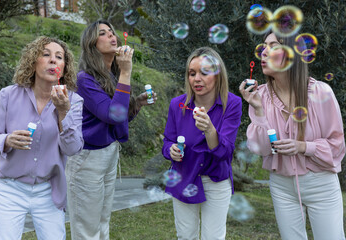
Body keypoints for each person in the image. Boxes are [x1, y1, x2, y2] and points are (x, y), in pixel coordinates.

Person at [239, 31, 345, 240]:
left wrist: (303, 147)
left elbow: (337, 145)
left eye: (273, 45)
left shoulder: (320, 93)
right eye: (263, 46)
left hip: (321, 185)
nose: (264, 51)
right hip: (281, 186)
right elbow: (259, 149)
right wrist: (258, 111)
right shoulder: (260, 97)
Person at [65, 19, 156, 240]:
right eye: (103, 33)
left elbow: (117, 118)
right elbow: (111, 115)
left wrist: (137, 104)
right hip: (87, 159)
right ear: (92, 44)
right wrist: (126, 72)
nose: (112, 36)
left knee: (103, 221)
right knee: (88, 228)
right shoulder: (84, 79)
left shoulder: (111, 76)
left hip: (108, 154)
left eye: (111, 32)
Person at [0, 36, 84, 239]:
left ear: (64, 68)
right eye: (46, 54)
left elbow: (73, 149)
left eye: (59, 57)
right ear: (33, 62)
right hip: (9, 189)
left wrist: (63, 112)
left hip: (49, 191)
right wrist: (6, 140)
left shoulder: (73, 101)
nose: (53, 60)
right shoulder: (9, 95)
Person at [162, 47, 242, 240]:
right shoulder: (177, 105)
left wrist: (209, 130)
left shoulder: (232, 103)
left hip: (216, 179)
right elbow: (168, 141)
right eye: (192, 73)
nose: (196, 79)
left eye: (204, 72)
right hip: (184, 176)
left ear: (217, 75)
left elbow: (225, 153)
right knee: (185, 236)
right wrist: (170, 150)